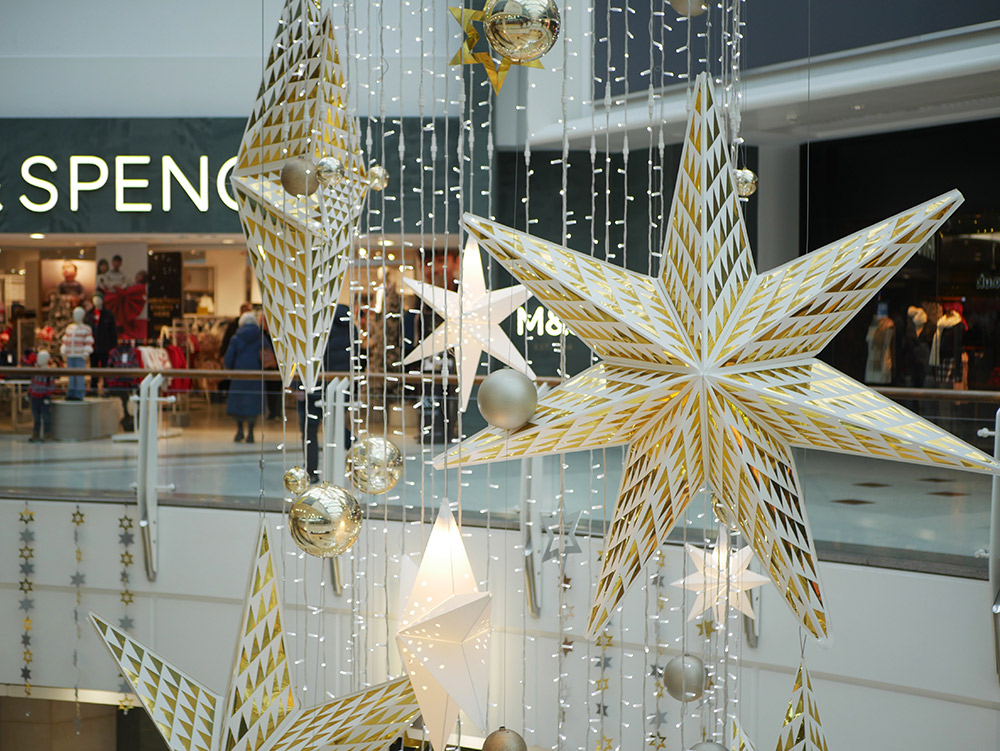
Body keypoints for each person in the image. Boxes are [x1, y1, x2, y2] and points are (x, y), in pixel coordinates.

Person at [297, 303, 354, 480]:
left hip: (312, 386)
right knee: (335, 426)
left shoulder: (316, 328)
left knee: (310, 430)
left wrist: (297, 385)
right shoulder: (352, 329)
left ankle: (311, 472)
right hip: (339, 387)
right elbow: (359, 358)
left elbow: (303, 358)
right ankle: (359, 454)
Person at [223, 311, 265, 443]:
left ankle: (240, 431)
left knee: (239, 403)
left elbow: (229, 358)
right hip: (256, 375)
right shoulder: (260, 337)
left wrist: (230, 369)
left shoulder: (236, 338)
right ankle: (251, 433)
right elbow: (267, 355)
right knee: (253, 403)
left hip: (239, 375)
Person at [61, 307, 94, 401]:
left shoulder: (86, 329)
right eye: (75, 314)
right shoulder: (69, 328)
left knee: (79, 376)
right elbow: (65, 341)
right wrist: (64, 350)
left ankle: (79, 394)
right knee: (71, 376)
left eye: (78, 314)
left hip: (79, 356)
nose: (76, 316)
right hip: (70, 355)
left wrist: (85, 353)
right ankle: (71, 393)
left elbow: (88, 342)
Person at [28, 350, 55, 442]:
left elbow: (51, 386)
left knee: (46, 417)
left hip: (43, 398)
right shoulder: (35, 370)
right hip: (35, 397)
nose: (39, 359)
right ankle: (36, 434)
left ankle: (47, 434)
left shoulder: (48, 372)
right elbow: (32, 383)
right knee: (36, 418)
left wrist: (47, 396)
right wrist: (29, 393)